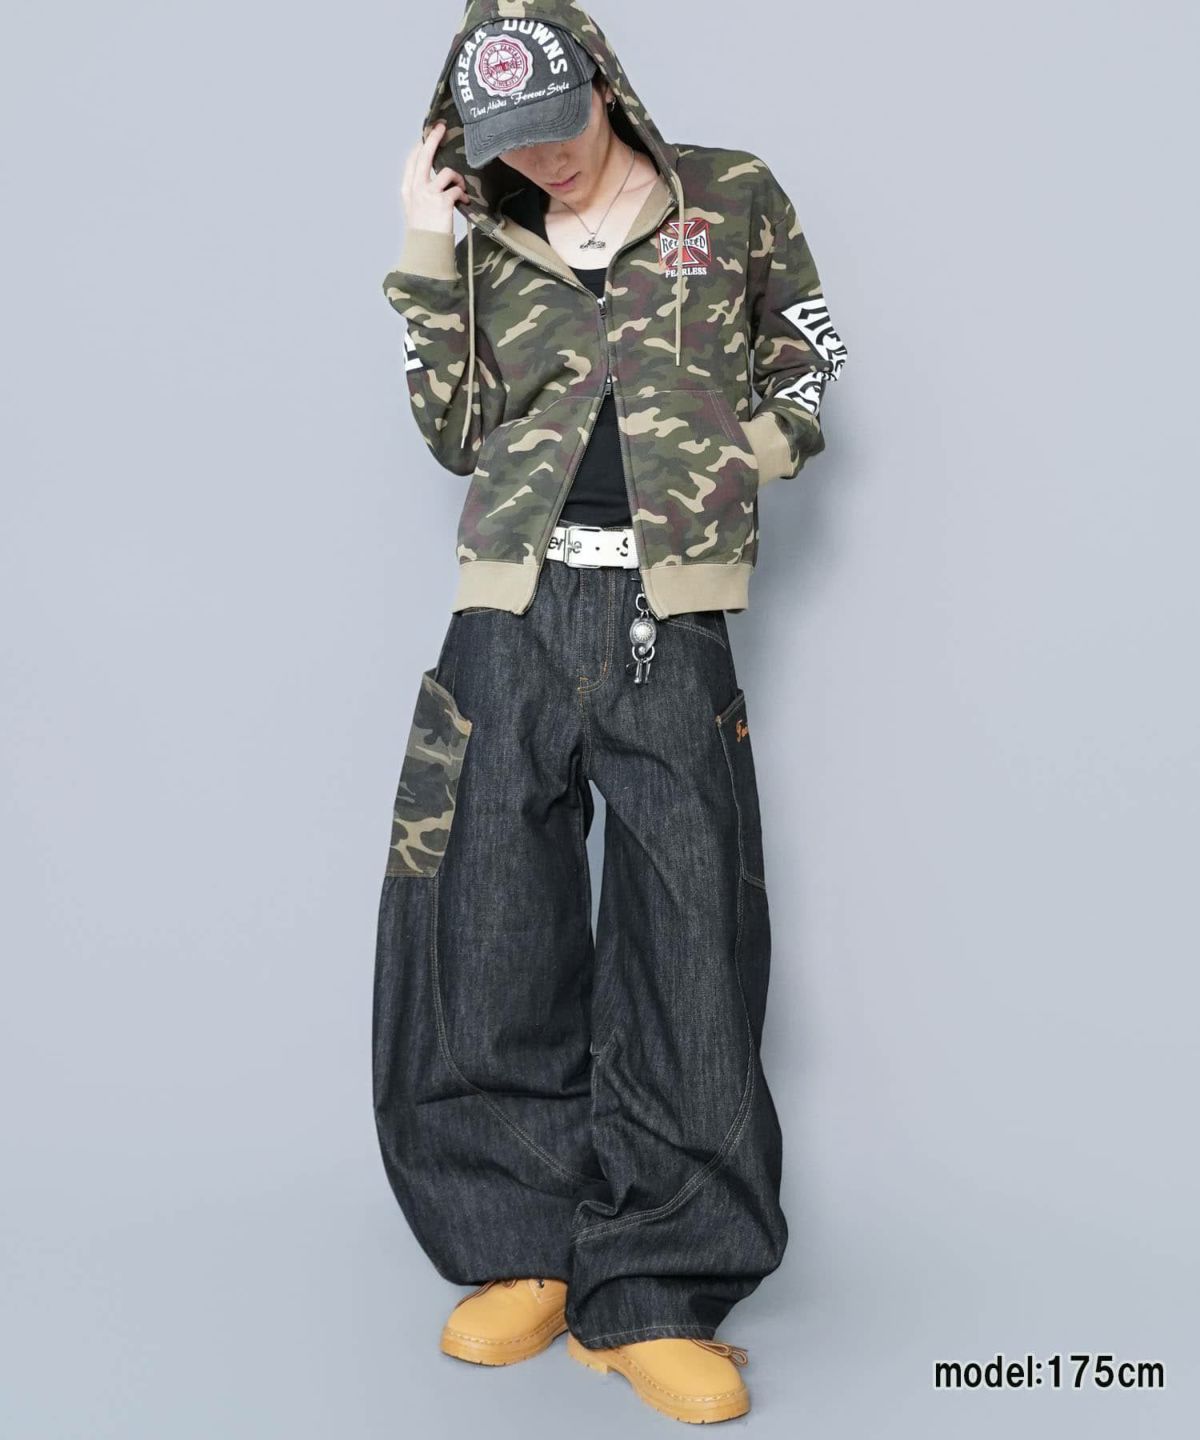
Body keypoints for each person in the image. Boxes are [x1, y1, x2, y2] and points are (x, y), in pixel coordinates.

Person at [373, 0, 847, 1424]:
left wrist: (732, 460)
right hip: (505, 611)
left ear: (607, 85)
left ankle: (656, 1282)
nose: (547, 161)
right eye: (510, 144)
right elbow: (455, 431)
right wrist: (424, 244)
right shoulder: (481, 231)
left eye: (560, 126)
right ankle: (517, 1242)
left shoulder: (731, 195)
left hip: (668, 616)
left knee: (689, 932)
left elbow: (810, 362)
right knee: (480, 917)